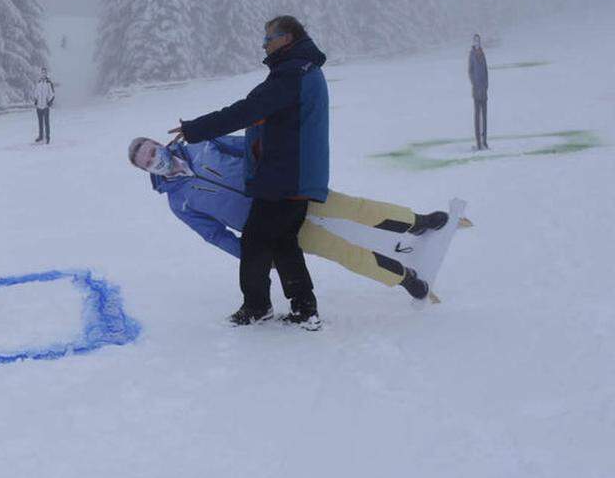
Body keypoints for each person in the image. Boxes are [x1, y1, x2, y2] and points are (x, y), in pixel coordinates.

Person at [128, 136, 448, 302]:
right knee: (341, 252)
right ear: (146, 171)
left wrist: (283, 159)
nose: (154, 159)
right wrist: (250, 256)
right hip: (272, 227)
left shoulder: (201, 144)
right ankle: (403, 278)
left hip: (287, 191)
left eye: (152, 151)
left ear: (159, 144)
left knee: (354, 207)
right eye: (147, 162)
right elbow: (214, 234)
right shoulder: (178, 202)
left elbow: (249, 147)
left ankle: (415, 221)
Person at [169, 16, 329, 329]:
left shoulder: (293, 73)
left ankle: (257, 307)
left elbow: (247, 110)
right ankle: (304, 309)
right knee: (283, 241)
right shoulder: (299, 69)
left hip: (286, 174)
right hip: (290, 173)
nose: (264, 44)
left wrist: (196, 129)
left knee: (255, 241)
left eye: (269, 38)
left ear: (288, 37)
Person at [469, 34, 489, 151]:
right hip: (476, 90)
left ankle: (484, 141)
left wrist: (486, 85)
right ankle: (478, 142)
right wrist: (474, 82)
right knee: (477, 116)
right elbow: (470, 71)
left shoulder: (483, 54)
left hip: (484, 91)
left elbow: (486, 71)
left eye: (478, 41)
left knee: (484, 117)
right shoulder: (472, 55)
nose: (477, 43)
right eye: (475, 41)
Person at [32, 67, 55, 144]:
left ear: (46, 74)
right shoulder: (38, 83)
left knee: (46, 122)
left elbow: (52, 94)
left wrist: (49, 102)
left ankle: (47, 137)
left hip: (45, 106)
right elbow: (36, 93)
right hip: (39, 106)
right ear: (40, 74)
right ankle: (41, 136)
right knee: (40, 122)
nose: (43, 74)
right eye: (42, 73)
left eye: (44, 73)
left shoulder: (49, 83)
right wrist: (35, 100)